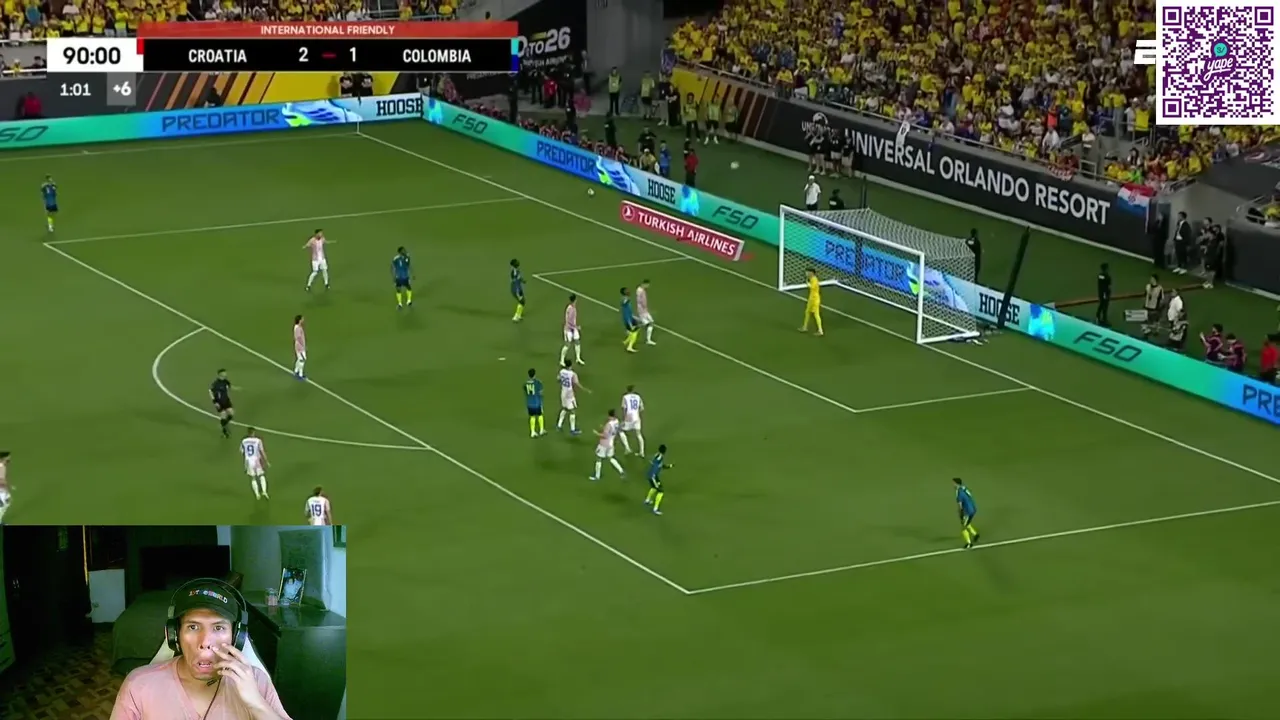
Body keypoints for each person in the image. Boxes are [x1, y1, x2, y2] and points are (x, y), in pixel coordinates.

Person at [111, 579, 291, 719]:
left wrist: (257, 704)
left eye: (218, 628)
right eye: (193, 627)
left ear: (236, 637)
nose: (205, 642)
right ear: (174, 635)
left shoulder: (256, 681)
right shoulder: (138, 685)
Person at [589, 409, 625, 481]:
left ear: (610, 416)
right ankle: (621, 471)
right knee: (611, 458)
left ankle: (597, 476)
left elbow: (605, 436)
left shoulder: (608, 424)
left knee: (598, 458)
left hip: (604, 444)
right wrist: (603, 428)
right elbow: (615, 430)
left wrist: (596, 433)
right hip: (611, 443)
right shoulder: (617, 421)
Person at [556, 360, 588, 434]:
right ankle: (572, 429)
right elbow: (576, 383)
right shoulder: (572, 374)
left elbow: (558, 379)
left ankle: (559, 425)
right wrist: (585, 389)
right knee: (572, 411)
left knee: (564, 408)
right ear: (571, 365)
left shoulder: (561, 371)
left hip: (563, 392)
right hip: (569, 394)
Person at [240, 429, 269, 501]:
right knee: (261, 475)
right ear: (253, 433)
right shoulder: (258, 440)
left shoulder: (244, 441)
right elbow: (262, 451)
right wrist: (266, 461)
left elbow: (242, 452)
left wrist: (245, 465)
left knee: (253, 478)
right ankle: (264, 491)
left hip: (248, 461)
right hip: (256, 460)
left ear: (248, 433)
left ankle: (257, 494)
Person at [643, 445, 672, 515]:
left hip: (650, 475)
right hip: (653, 476)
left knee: (654, 487)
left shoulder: (657, 455)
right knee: (661, 491)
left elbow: (659, 464)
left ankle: (647, 500)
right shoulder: (660, 457)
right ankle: (655, 509)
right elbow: (658, 463)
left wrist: (668, 466)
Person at [954, 477, 980, 549]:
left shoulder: (959, 493)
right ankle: (975, 535)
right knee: (967, 523)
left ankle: (969, 543)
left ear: (957, 484)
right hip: (973, 509)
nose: (953, 485)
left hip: (968, 511)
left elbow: (960, 505)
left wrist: (961, 514)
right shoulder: (964, 488)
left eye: (954, 483)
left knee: (963, 527)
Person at [620, 385, 645, 456]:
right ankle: (642, 452)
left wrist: (623, 419)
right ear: (633, 390)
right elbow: (642, 408)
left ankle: (627, 449)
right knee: (639, 434)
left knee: (620, 431)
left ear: (627, 390)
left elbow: (624, 409)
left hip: (629, 417)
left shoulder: (625, 397)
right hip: (637, 417)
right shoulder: (638, 396)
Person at [210, 369, 236, 438]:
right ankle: (225, 433)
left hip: (226, 400)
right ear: (220, 374)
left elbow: (230, 387)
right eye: (224, 373)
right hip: (219, 402)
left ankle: (223, 425)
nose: (225, 374)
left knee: (231, 413)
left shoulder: (226, 381)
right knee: (223, 415)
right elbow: (211, 392)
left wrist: (236, 388)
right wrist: (215, 402)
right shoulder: (215, 383)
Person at [560, 294, 584, 365]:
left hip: (573, 328)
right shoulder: (571, 309)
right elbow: (569, 321)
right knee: (567, 345)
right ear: (575, 300)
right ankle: (561, 360)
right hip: (568, 329)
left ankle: (578, 358)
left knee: (577, 342)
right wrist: (577, 327)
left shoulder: (572, 307)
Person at [524, 368, 546, 438]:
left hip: (529, 403)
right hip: (537, 403)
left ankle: (532, 432)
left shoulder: (525, 383)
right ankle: (541, 430)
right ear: (535, 374)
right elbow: (541, 393)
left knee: (532, 417)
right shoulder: (538, 382)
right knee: (540, 415)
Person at [801, 268, 823, 336]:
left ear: (811, 273)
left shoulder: (814, 279)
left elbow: (812, 287)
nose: (806, 273)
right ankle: (805, 327)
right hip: (811, 299)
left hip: (815, 299)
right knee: (807, 312)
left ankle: (820, 330)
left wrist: (807, 283)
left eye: (807, 272)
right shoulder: (811, 279)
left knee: (816, 314)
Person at [635, 279, 656, 345]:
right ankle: (648, 340)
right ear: (645, 284)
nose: (648, 286)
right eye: (647, 285)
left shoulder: (639, 289)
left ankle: (648, 339)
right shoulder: (641, 291)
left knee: (651, 322)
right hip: (642, 310)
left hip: (644, 310)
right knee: (649, 324)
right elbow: (641, 300)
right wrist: (644, 306)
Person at [621, 287, 640, 353]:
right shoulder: (625, 300)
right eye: (626, 291)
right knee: (634, 332)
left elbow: (629, 311)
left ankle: (626, 341)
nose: (628, 291)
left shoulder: (627, 300)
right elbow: (623, 303)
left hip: (631, 318)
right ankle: (629, 347)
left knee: (637, 328)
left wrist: (634, 317)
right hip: (628, 320)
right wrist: (630, 324)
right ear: (624, 292)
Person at [292, 315, 307, 380]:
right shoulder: (298, 328)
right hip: (300, 346)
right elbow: (299, 338)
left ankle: (296, 371)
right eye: (302, 319)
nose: (303, 320)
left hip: (298, 345)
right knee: (302, 359)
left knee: (299, 359)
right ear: (299, 320)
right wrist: (303, 345)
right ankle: (300, 375)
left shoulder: (297, 327)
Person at [0, 451, 11, 525]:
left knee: (7, 501)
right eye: (8, 457)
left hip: (2, 489)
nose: (9, 459)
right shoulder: (2, 467)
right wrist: (7, 486)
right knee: (3, 505)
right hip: (1, 490)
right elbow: (1, 480)